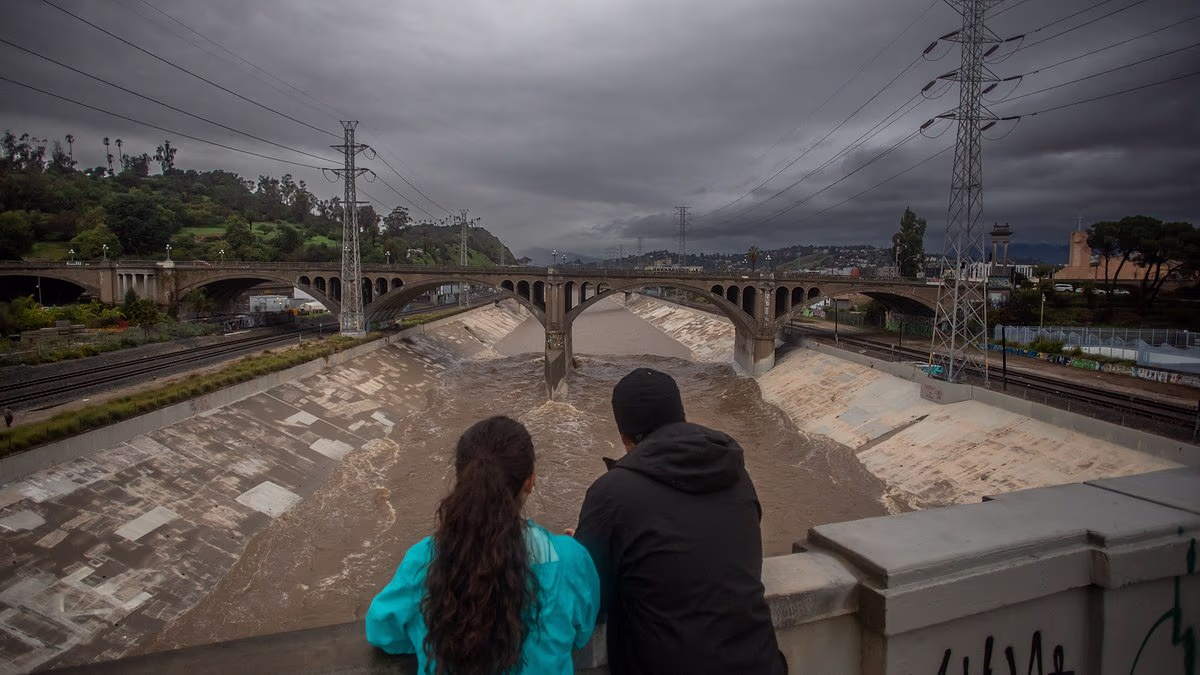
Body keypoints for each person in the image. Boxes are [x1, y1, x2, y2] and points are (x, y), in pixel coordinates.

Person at [574, 368, 785, 675]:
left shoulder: (611, 493)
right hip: (761, 662)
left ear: (623, 436)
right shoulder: (734, 468)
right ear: (682, 414)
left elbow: (590, 597)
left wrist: (576, 551)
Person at [366, 415, 600, 674]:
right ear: (530, 482)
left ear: (460, 479)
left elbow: (381, 631)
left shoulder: (425, 558)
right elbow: (582, 631)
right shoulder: (571, 558)